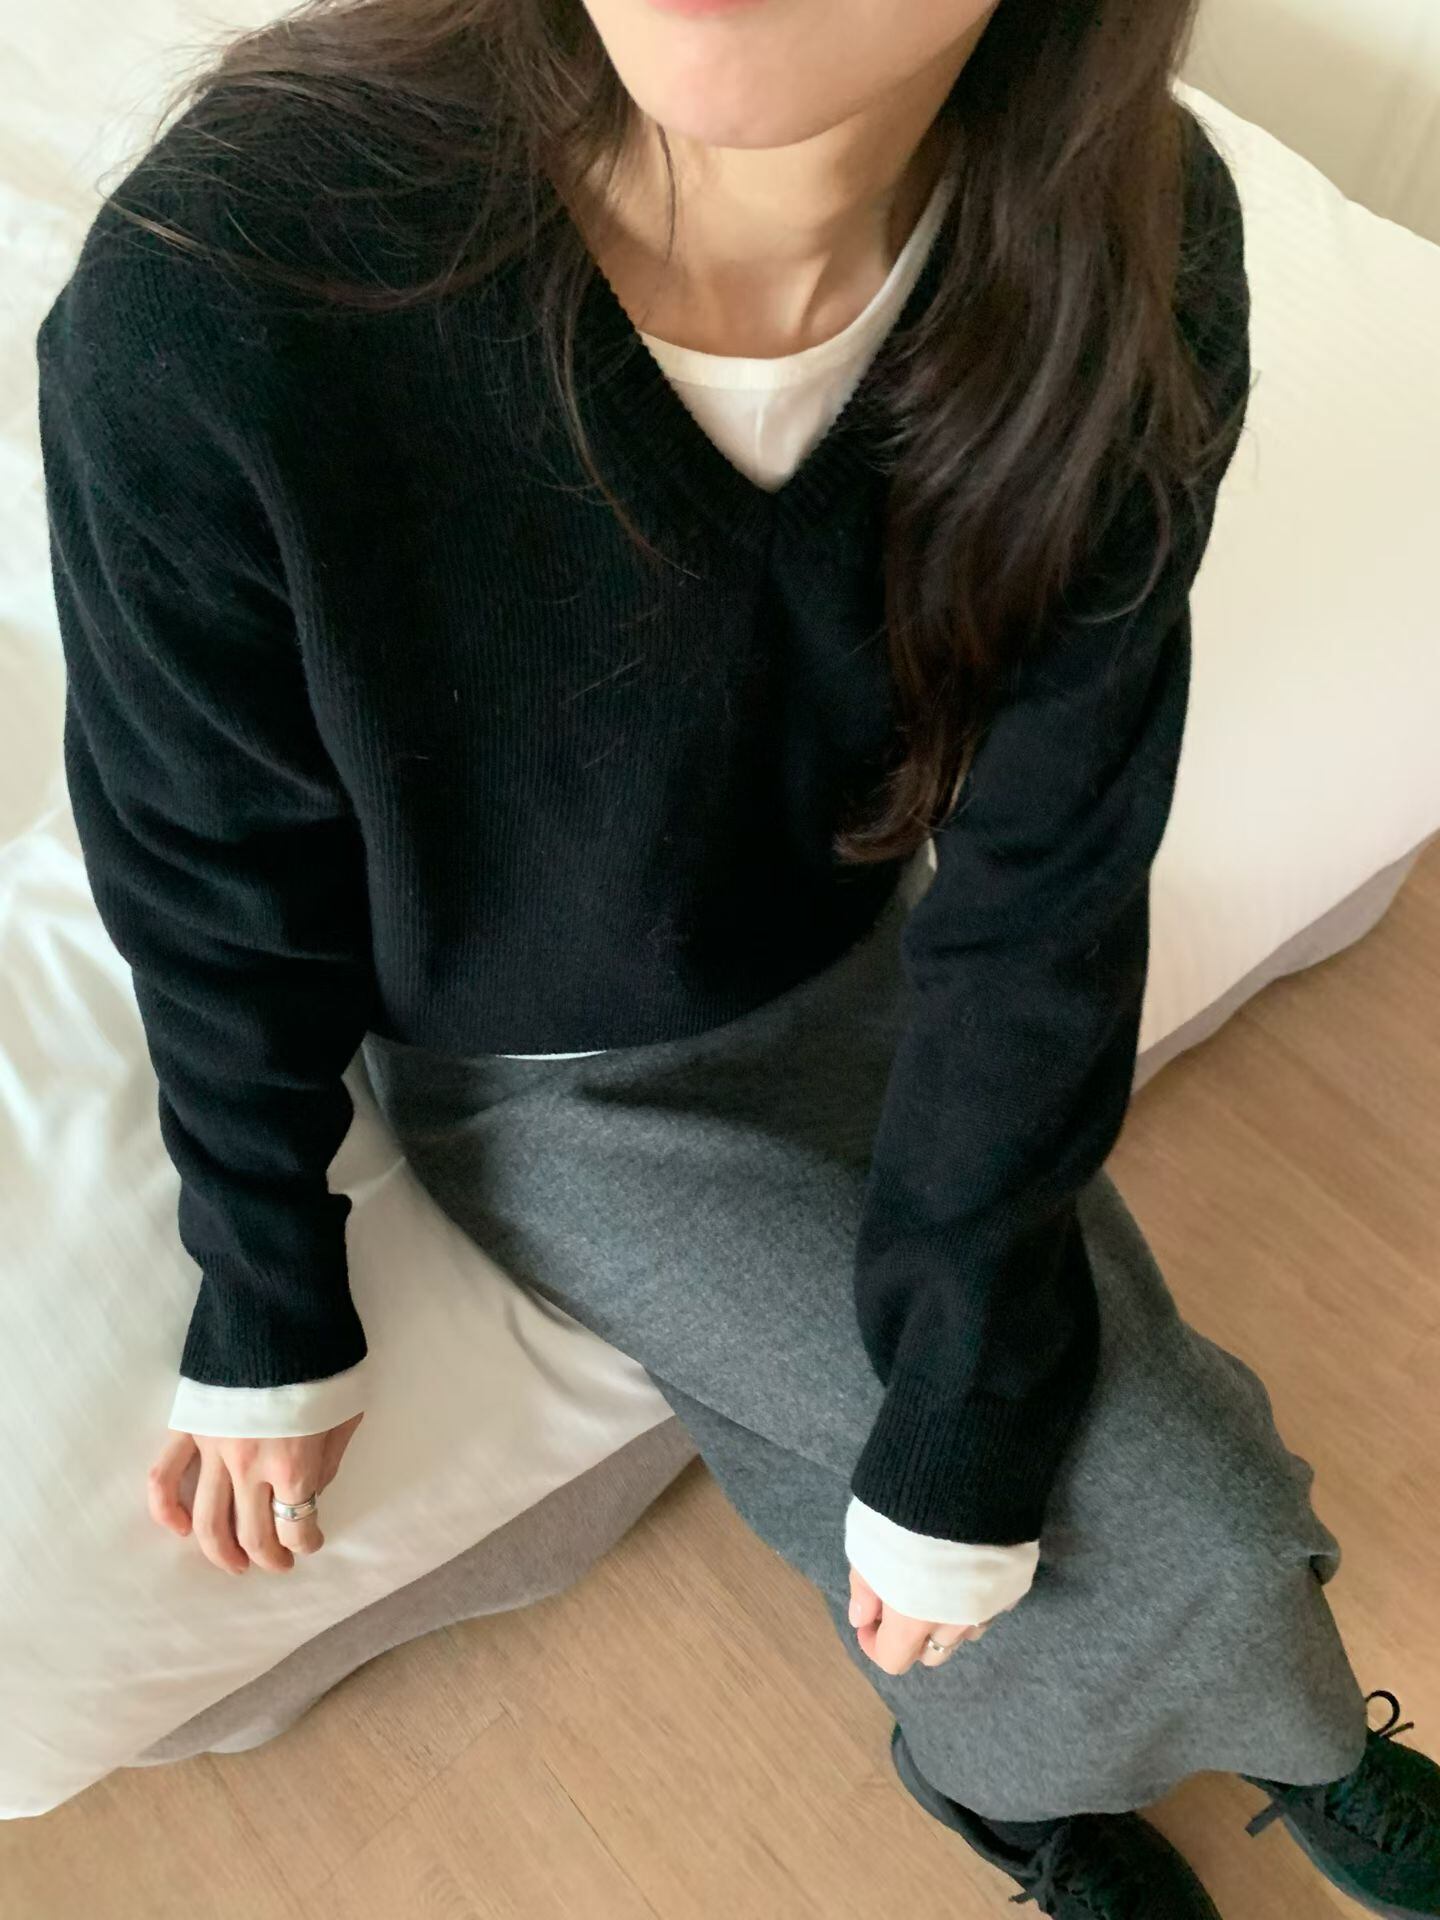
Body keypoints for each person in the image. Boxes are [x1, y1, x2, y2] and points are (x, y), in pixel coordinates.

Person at [34, 0, 1440, 1912]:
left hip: (872, 952)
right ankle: (1017, 1796)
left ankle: (1303, 1740)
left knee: (1160, 1492)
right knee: (1054, 1507)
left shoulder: (1130, 246)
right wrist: (268, 1286)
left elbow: (1050, 877)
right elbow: (204, 854)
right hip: (547, 1075)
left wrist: (966, 1404)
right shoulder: (228, 282)